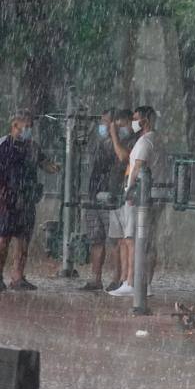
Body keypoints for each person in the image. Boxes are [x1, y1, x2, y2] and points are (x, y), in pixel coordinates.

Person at [109, 106, 168, 298]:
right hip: (153, 195)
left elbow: (137, 168)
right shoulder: (156, 140)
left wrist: (129, 191)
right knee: (147, 240)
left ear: (145, 121)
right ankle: (145, 284)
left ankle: (132, 282)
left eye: (135, 119)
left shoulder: (145, 142)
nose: (132, 123)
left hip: (139, 197)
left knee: (132, 238)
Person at [0, 109, 60, 290]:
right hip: (6, 201)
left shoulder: (32, 147)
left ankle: (18, 277)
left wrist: (55, 167)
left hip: (27, 200)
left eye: (31, 126)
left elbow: (44, 164)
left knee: (23, 240)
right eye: (27, 126)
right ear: (15, 125)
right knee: (3, 240)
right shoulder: (4, 145)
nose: (29, 129)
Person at [79, 109, 133, 291]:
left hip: (112, 196)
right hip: (94, 194)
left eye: (107, 123)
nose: (104, 127)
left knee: (115, 240)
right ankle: (96, 278)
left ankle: (117, 278)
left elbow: (121, 159)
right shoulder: (97, 142)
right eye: (103, 123)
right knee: (96, 238)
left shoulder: (123, 142)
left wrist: (114, 135)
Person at [106, 109, 139, 293]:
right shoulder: (122, 139)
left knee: (129, 239)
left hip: (128, 195)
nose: (119, 127)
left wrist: (114, 135)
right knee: (120, 240)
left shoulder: (134, 140)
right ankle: (122, 278)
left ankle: (129, 279)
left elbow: (123, 156)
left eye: (121, 123)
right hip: (117, 195)